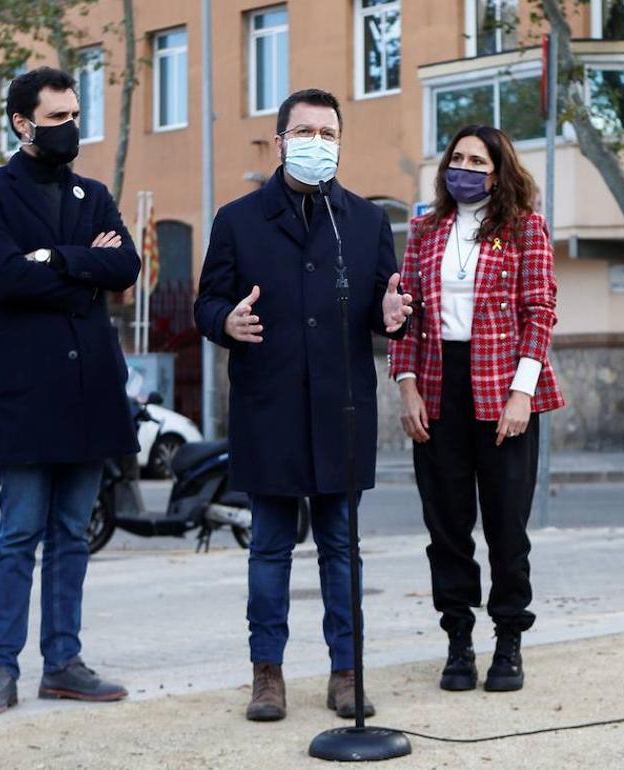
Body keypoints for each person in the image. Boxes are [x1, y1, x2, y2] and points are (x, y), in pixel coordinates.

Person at [194, 88, 413, 722]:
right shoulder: (238, 219)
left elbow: (382, 303)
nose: (318, 141)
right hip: (269, 406)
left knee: (342, 546)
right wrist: (224, 322)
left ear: (340, 142)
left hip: (341, 407)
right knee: (268, 547)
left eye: (328, 132)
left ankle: (347, 673)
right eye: (305, 131)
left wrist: (393, 316)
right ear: (281, 139)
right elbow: (207, 303)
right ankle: (268, 675)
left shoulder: (366, 221)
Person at [0, 67, 141, 717]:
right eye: (59, 117)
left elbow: (126, 266)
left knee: (73, 532)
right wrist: (82, 265)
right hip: (27, 394)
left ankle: (62, 662)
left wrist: (54, 259)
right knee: (18, 534)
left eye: (75, 115)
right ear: (22, 122)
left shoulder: (93, 194)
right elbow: (4, 278)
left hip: (92, 389)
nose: (72, 128)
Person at [389, 125, 565, 693]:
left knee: (506, 527)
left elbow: (540, 313)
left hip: (504, 388)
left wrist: (522, 391)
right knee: (446, 526)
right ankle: (458, 641)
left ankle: (509, 638)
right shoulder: (425, 229)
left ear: (498, 171)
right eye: (456, 158)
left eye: (477, 161)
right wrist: (407, 384)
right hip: (439, 390)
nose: (463, 168)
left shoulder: (524, 228)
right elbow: (405, 315)